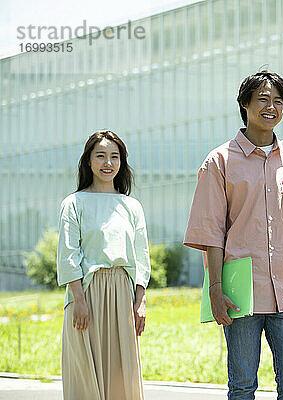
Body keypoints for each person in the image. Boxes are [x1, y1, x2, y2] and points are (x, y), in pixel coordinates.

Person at [184, 70, 283, 400]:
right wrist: (215, 289)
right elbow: (211, 231)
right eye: (262, 99)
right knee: (243, 386)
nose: (271, 107)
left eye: (278, 101)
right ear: (244, 104)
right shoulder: (219, 160)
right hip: (240, 290)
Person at [56, 130, 150, 400]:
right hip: (86, 292)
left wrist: (140, 300)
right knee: (86, 369)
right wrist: (79, 300)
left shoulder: (131, 206)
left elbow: (141, 256)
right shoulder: (73, 203)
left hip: (122, 292)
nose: (108, 163)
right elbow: (68, 254)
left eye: (114, 156)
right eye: (100, 156)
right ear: (88, 161)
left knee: (122, 372)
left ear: (122, 162)